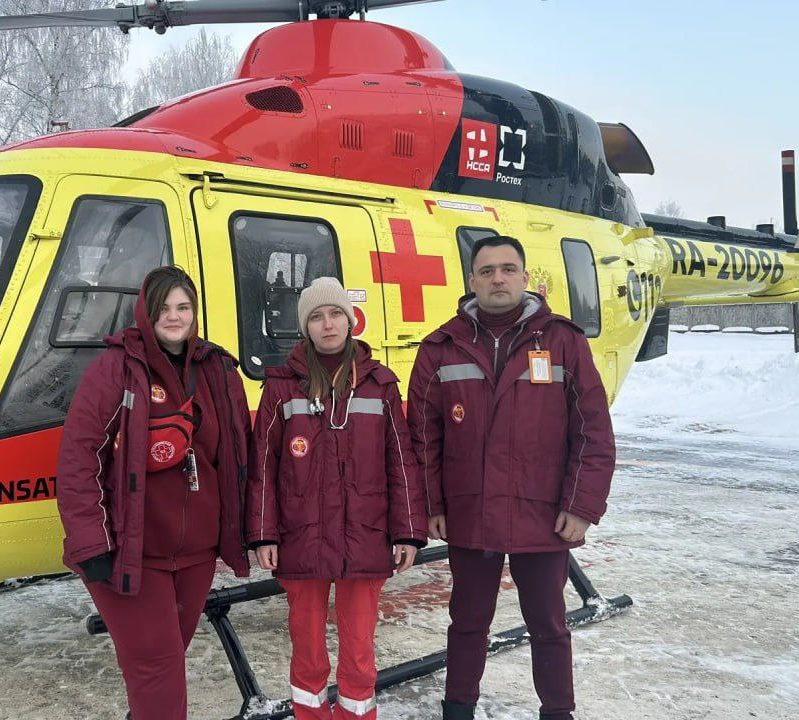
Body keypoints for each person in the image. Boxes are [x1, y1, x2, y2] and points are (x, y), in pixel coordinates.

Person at [407, 236, 615, 720]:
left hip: (543, 514)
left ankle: (558, 712)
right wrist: (433, 505)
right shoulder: (441, 348)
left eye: (507, 269)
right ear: (472, 281)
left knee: (548, 625)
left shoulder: (563, 341)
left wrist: (582, 506)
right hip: (470, 513)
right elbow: (423, 437)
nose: (497, 279)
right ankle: (458, 710)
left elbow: (593, 431)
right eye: (487, 271)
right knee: (467, 623)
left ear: (525, 277)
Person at [57, 265, 252, 720]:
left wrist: (251, 528)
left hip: (197, 555)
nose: (174, 316)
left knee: (164, 663)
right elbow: (79, 459)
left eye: (183, 307)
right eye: (163, 307)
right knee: (157, 666)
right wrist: (90, 542)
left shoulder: (218, 369)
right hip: (132, 553)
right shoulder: (117, 369)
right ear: (145, 312)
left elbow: (241, 454)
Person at [246, 276, 428, 720]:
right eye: (316, 316)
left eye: (335, 314)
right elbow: (263, 465)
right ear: (304, 326)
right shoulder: (281, 387)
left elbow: (401, 460)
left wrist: (408, 532)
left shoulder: (380, 385)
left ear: (350, 321)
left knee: (359, 651)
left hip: (365, 534)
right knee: (307, 650)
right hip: (301, 536)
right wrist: (264, 534)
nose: (327, 324)